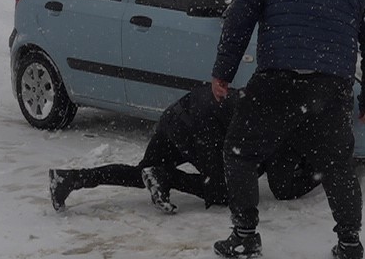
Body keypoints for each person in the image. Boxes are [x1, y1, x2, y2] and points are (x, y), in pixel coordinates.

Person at [211, 0, 365, 259]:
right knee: (338, 166)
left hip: (278, 78)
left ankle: (245, 236)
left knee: (240, 152)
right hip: (331, 86)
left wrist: (223, 73)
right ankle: (350, 245)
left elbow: (240, 18)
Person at [48, 84, 320, 213]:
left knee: (142, 173)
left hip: (180, 112)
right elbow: (282, 188)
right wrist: (320, 173)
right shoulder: (284, 134)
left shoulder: (268, 102)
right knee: (223, 192)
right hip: (202, 127)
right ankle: (166, 177)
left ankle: (71, 178)